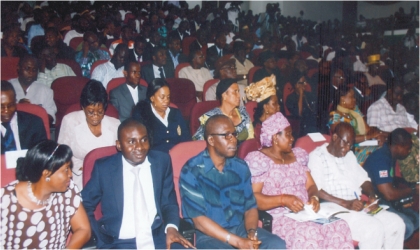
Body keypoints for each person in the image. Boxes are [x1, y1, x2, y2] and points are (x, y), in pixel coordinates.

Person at [245, 112, 354, 249]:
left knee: (340, 226)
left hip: (306, 213)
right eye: (288, 134)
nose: (292, 138)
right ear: (275, 137)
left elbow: (311, 185)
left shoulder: (298, 155)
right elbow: (254, 198)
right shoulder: (259, 160)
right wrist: (283, 199)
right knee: (311, 234)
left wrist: (313, 197)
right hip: (281, 217)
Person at [81, 119, 194, 249]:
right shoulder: (104, 168)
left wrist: (171, 228)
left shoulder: (161, 161)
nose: (139, 147)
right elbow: (83, 205)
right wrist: (96, 235)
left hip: (157, 237)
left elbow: (169, 202)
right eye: (131, 142)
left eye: (144, 140)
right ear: (119, 145)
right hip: (118, 242)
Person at [180, 114, 286, 249]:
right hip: (210, 236)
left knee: (277, 245)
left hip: (240, 228)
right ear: (211, 140)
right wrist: (236, 241)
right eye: (227, 135)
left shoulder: (240, 167)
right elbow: (199, 221)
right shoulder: (191, 170)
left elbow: (250, 207)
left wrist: (251, 233)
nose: (234, 140)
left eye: (234, 134)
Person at [308, 122, 406, 249]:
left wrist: (372, 195)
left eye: (351, 144)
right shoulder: (317, 156)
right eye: (346, 142)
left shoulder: (349, 156)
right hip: (335, 209)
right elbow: (317, 189)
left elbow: (364, 180)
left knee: (397, 224)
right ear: (335, 137)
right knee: (373, 229)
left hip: (357, 206)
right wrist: (346, 203)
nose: (348, 147)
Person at [1, 140, 91, 249]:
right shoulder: (5, 200)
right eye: (66, 169)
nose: (70, 174)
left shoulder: (67, 191)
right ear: (46, 173)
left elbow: (83, 229)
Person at [57, 80, 120, 189]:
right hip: (78, 175)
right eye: (90, 112)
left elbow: (119, 157)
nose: (95, 116)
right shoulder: (70, 121)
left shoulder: (115, 125)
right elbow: (61, 154)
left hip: (109, 176)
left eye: (100, 112)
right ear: (83, 107)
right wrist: (81, 167)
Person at [364, 128, 419, 240]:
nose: (409, 151)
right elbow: (388, 194)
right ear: (398, 146)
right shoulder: (380, 159)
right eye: (408, 148)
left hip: (385, 200)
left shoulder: (390, 156)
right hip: (372, 201)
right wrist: (413, 189)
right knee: (407, 226)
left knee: (416, 218)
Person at [131, 78, 190, 153]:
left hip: (178, 156)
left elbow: (186, 139)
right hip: (155, 158)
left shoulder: (176, 113)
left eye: (168, 97)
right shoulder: (142, 114)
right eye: (162, 97)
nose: (166, 101)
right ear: (152, 98)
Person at [193, 79, 254, 144]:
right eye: (235, 92)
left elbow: (251, 139)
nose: (239, 95)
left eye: (238, 91)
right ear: (224, 95)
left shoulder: (243, 113)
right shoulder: (210, 117)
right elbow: (198, 142)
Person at [1, 80, 47, 154]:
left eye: (10, 105)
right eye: (1, 106)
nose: (6, 111)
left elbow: (42, 156)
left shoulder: (34, 123)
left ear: (15, 102)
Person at [9, 55, 57, 124]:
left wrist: (34, 110)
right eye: (27, 69)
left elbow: (50, 118)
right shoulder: (6, 87)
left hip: (36, 130)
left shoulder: (46, 91)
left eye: (34, 70)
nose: (31, 72)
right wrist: (19, 107)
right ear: (18, 68)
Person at [245, 75, 279, 140]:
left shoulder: (278, 121)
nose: (278, 106)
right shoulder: (258, 127)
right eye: (275, 104)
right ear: (266, 107)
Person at [286, 70, 318, 136]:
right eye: (302, 82)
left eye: (305, 81)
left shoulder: (310, 95)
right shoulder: (290, 98)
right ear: (296, 85)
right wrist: (301, 94)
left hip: (313, 122)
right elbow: (299, 113)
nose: (305, 84)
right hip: (300, 125)